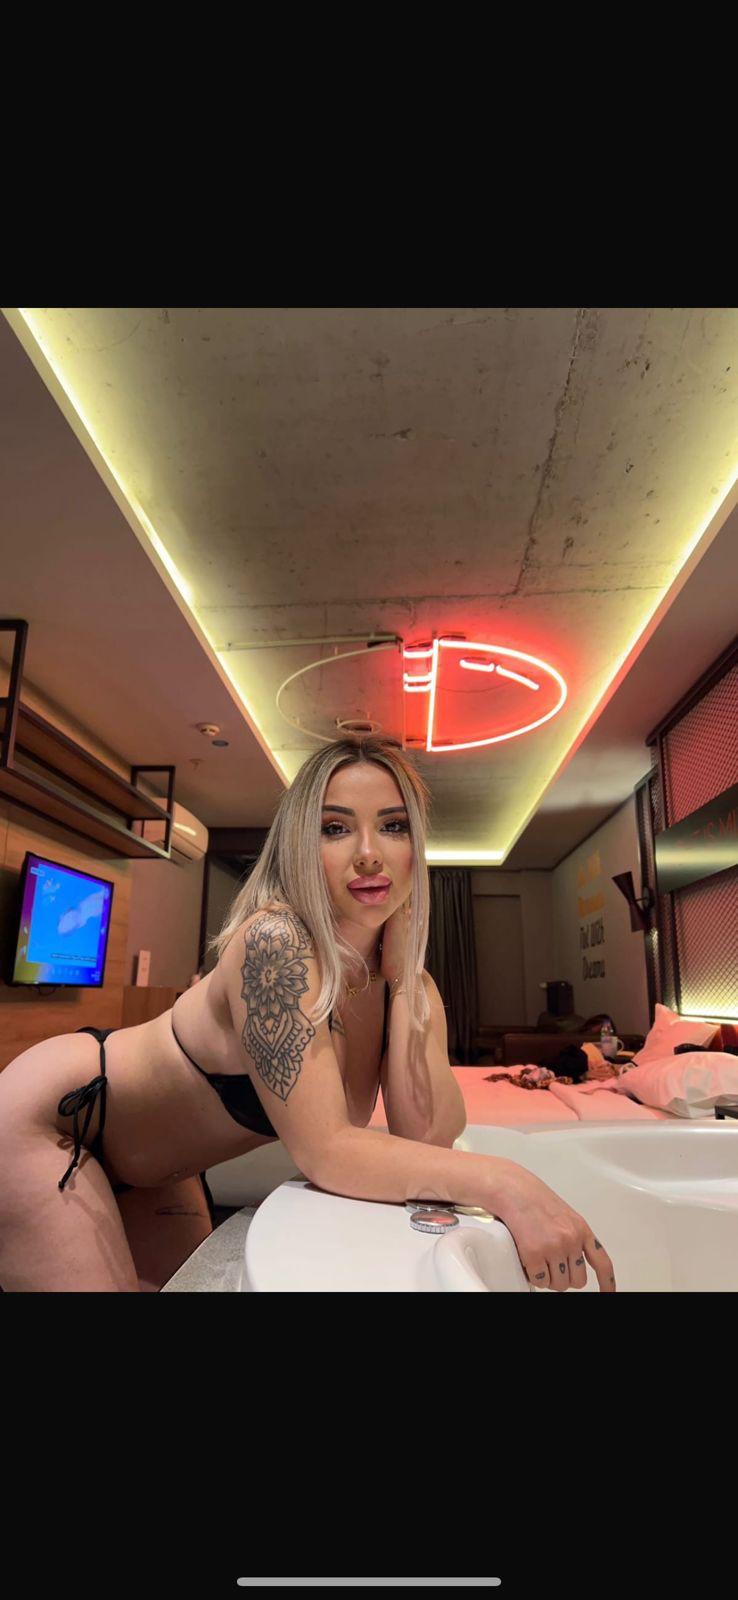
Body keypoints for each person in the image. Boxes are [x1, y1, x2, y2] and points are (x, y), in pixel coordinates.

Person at [0, 735, 616, 1292]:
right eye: (335, 828)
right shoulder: (277, 943)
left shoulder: (413, 986)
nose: (369, 853)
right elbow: (328, 1153)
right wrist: (506, 1183)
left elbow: (426, 1138)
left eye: (393, 826)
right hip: (55, 1124)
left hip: (158, 1169)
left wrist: (404, 981)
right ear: (301, 845)